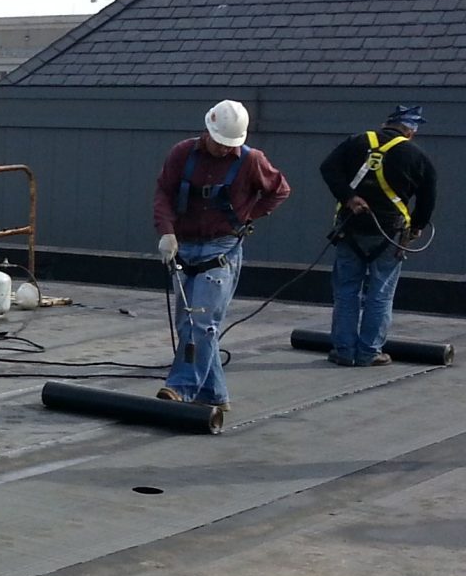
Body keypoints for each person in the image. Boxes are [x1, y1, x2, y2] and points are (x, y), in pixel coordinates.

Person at [150, 99, 292, 410]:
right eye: (221, 144)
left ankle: (181, 387)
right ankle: (214, 395)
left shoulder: (251, 160)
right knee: (190, 322)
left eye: (231, 145)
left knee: (200, 322)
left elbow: (279, 190)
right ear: (208, 131)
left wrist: (248, 216)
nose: (226, 150)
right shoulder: (182, 154)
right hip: (184, 245)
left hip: (222, 247)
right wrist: (166, 231)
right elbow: (164, 191)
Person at [318, 104, 438, 366]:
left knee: (346, 291)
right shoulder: (416, 155)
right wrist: (417, 226)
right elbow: (428, 197)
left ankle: (344, 350)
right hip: (391, 233)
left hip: (350, 228)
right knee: (380, 293)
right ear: (410, 132)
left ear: (387, 124)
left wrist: (349, 197)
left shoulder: (356, 142)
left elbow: (327, 168)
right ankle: (370, 352)